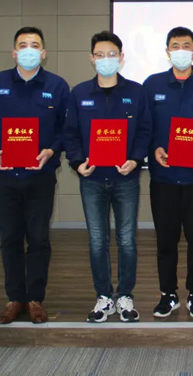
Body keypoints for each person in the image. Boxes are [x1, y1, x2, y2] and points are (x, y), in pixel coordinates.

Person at [0, 26, 70, 325]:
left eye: (35, 45)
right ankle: (14, 298)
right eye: (23, 45)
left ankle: (35, 298)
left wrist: (51, 150)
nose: (29, 50)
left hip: (41, 176)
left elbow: (66, 129)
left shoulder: (57, 85)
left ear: (43, 52)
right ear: (14, 52)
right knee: (10, 238)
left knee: (39, 239)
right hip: (5, 177)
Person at [63, 31, 151, 323]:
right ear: (92, 59)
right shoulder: (79, 93)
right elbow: (71, 133)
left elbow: (145, 131)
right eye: (100, 55)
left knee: (127, 240)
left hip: (126, 178)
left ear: (121, 57)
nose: (106, 59)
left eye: (111, 54)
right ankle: (103, 296)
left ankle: (125, 295)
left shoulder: (136, 92)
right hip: (91, 178)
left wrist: (135, 159)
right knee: (97, 241)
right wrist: (78, 162)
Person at [143, 26, 193, 319]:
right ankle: (168, 294)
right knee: (165, 240)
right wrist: (154, 148)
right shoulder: (152, 85)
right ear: (167, 51)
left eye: (186, 45)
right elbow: (145, 127)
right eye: (175, 46)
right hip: (163, 180)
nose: (181, 50)